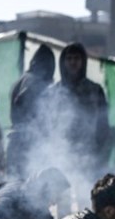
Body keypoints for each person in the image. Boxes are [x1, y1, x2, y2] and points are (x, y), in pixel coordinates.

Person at [43, 43, 110, 182]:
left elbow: (103, 124)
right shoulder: (54, 92)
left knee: (86, 195)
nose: (73, 62)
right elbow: (46, 123)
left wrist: (100, 151)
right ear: (63, 62)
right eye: (69, 58)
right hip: (61, 153)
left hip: (88, 152)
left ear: (83, 61)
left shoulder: (95, 90)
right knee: (62, 196)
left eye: (77, 58)